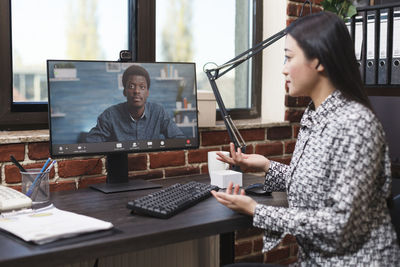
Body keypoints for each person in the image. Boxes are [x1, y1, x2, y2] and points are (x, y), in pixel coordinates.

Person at [212, 11, 400, 266]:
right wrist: (266, 166)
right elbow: (319, 183)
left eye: (289, 58)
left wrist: (255, 209)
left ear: (319, 60)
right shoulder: (315, 114)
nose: (283, 69)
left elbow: (339, 224)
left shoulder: (356, 124)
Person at [86, 64, 185, 142]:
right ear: (124, 91)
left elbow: (179, 139)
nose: (137, 91)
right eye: (131, 86)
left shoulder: (158, 112)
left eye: (142, 87)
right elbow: (90, 144)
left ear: (147, 93)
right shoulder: (110, 115)